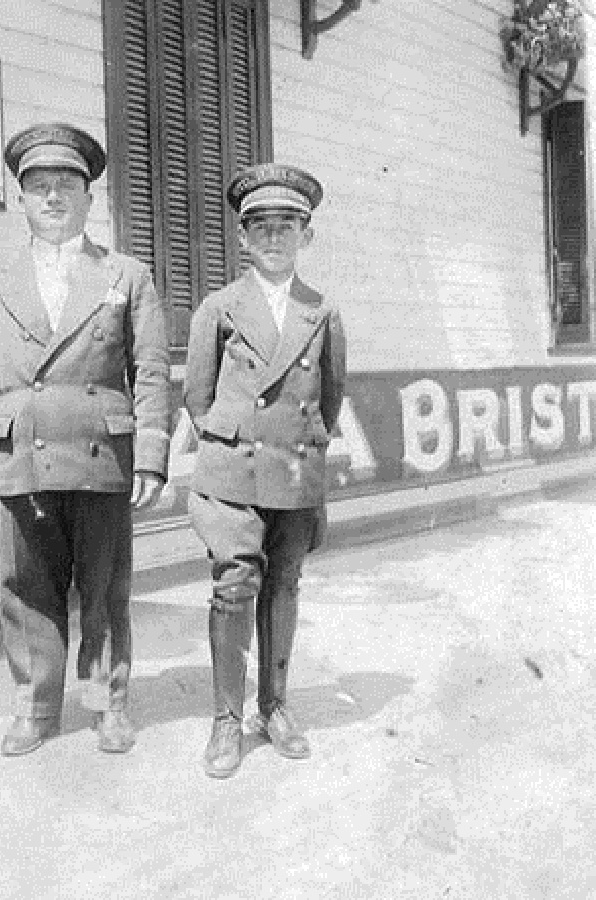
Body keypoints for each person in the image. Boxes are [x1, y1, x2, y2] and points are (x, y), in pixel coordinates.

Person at [0, 124, 172, 756]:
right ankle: (35, 706)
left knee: (103, 590)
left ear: (89, 198)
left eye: (67, 184)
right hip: (20, 455)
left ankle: (107, 703)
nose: (53, 197)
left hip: (101, 456)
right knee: (26, 590)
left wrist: (151, 456)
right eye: (38, 186)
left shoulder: (125, 276)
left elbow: (151, 370)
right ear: (20, 199)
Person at [184, 163, 347, 778]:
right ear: (243, 239)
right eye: (260, 227)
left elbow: (328, 399)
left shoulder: (322, 311)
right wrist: (242, 439)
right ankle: (227, 720)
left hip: (295, 471)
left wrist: (297, 447)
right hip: (233, 471)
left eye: (287, 226)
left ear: (306, 235)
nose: (274, 238)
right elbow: (198, 397)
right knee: (234, 585)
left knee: (283, 587)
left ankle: (273, 707)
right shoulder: (220, 308)